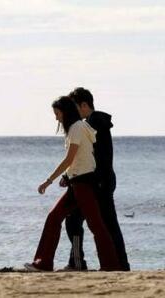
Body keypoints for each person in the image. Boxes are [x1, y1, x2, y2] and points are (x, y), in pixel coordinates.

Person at [24, 96, 121, 272]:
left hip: (83, 183)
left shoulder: (77, 128)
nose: (56, 118)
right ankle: (43, 263)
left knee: (96, 225)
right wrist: (67, 177)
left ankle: (111, 265)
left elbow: (69, 159)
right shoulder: (78, 128)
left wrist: (49, 180)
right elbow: (78, 160)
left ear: (65, 112)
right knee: (54, 217)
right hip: (76, 183)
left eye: (57, 113)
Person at [62, 88, 130, 271]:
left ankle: (79, 263)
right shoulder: (95, 122)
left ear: (84, 105)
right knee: (99, 223)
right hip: (101, 180)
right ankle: (119, 265)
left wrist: (72, 177)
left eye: (75, 107)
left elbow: (90, 157)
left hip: (97, 182)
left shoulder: (92, 124)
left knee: (79, 220)